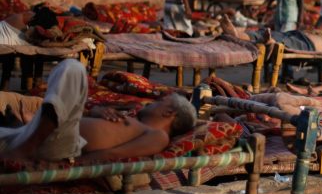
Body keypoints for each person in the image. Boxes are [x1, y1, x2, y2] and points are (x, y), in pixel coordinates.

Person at [0, 60, 196, 162]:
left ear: (169, 113)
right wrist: (97, 113)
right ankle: (20, 127)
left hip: (61, 144)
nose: (151, 103)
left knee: (74, 69)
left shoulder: (158, 135)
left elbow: (112, 154)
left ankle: (24, 148)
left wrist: (74, 168)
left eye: (160, 102)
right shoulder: (134, 121)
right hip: (36, 135)